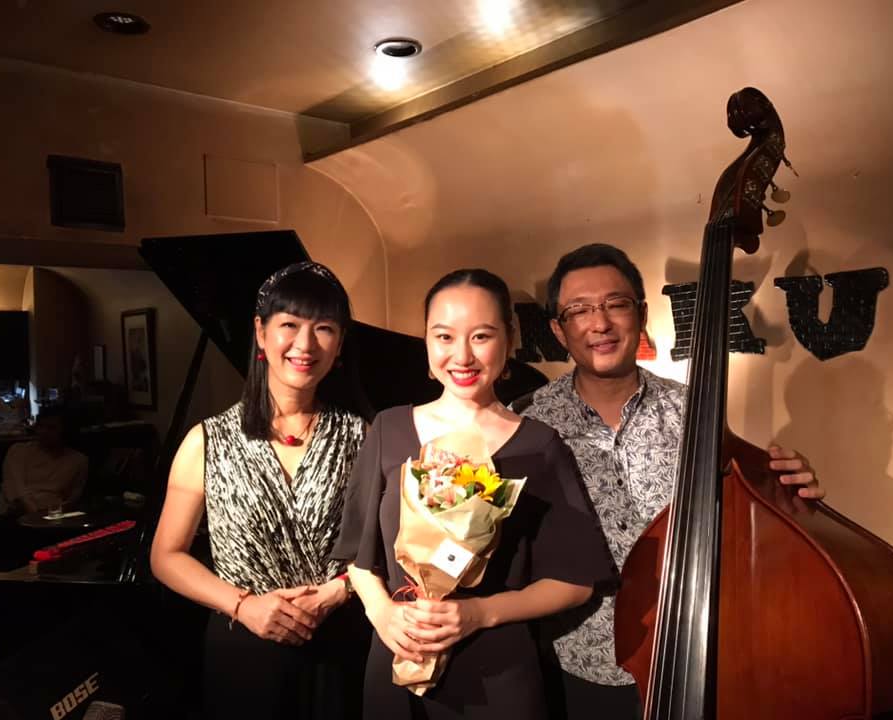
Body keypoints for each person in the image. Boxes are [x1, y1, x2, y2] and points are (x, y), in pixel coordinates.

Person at [517, 243, 825, 718]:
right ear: (559, 330)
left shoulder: (694, 410)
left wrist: (789, 492)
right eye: (579, 310)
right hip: (574, 663)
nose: (600, 323)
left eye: (616, 304)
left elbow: (747, 520)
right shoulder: (527, 423)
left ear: (642, 314)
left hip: (692, 654)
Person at [333, 269, 614, 720]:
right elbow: (359, 560)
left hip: (498, 675)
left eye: (481, 336)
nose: (462, 355)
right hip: (398, 658)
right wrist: (383, 614)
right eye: (444, 336)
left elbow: (576, 583)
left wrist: (480, 613)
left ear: (509, 339)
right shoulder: (388, 429)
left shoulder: (539, 445)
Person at [150, 261, 372, 720]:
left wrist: (337, 592)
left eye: (324, 328)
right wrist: (244, 605)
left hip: (339, 642)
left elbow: (383, 546)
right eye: (289, 325)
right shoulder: (207, 441)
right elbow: (165, 556)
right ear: (260, 332)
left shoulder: (362, 436)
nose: (305, 344)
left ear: (340, 343)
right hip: (243, 647)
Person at [0, 406, 87, 517]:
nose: (43, 431)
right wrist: (35, 513)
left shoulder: (78, 460)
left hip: (53, 514)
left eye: (51, 428)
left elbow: (73, 497)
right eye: (41, 426)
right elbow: (15, 489)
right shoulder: (19, 450)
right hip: (14, 513)